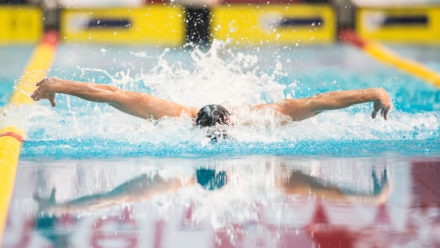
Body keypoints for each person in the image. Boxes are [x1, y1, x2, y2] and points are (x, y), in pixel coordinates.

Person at [31, 78, 392, 140]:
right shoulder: (172, 113)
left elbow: (319, 103)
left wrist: (373, 91)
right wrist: (58, 85)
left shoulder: (263, 116)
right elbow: (111, 93)